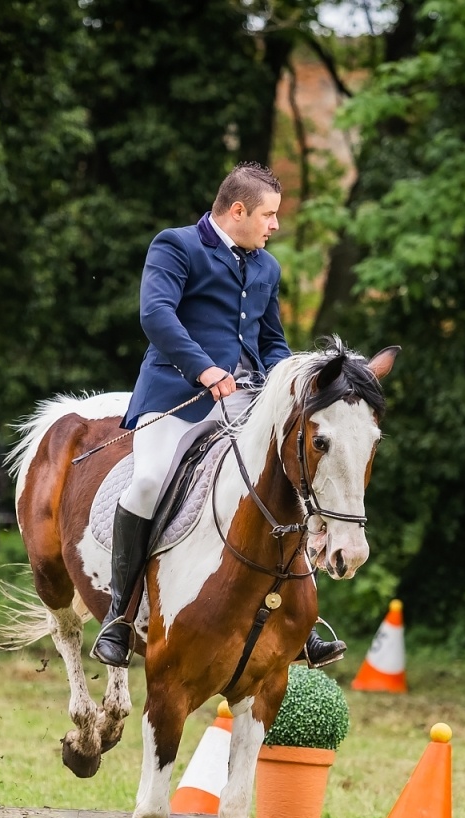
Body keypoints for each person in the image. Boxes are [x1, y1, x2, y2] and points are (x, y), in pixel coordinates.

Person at [91, 162, 346, 670]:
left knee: (289, 484)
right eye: (269, 215)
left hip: (246, 401)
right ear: (237, 211)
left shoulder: (266, 267)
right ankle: (119, 616)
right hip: (175, 397)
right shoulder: (176, 246)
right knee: (146, 483)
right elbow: (155, 315)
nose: (275, 225)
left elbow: (271, 341)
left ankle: (304, 621)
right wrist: (204, 369)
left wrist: (289, 385)